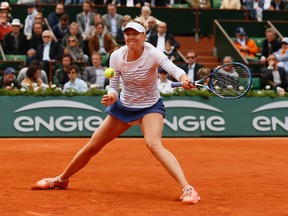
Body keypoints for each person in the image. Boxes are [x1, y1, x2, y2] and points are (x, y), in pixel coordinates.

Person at [35, 21, 200, 204]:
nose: (131, 37)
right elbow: (113, 87)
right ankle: (61, 179)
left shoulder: (153, 53)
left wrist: (184, 78)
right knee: (92, 146)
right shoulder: (116, 56)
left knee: (153, 144)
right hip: (124, 107)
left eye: (135, 34)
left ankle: (188, 189)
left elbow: (173, 69)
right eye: (127, 34)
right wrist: (112, 97)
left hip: (150, 107)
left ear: (144, 36)